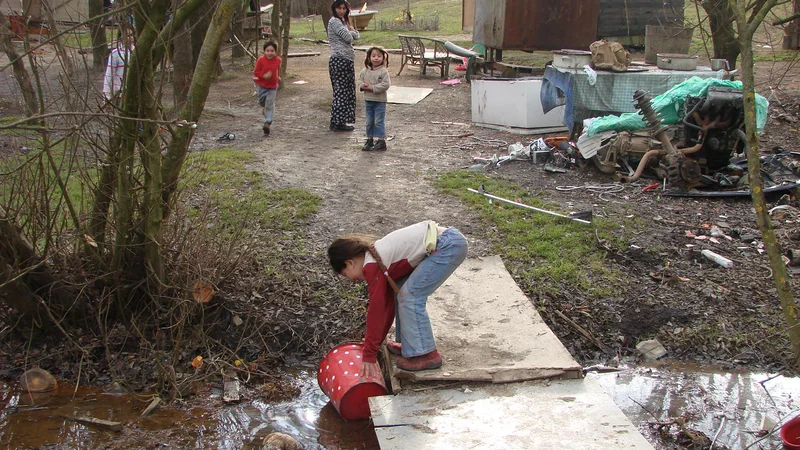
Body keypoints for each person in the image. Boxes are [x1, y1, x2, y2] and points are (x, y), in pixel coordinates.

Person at [327, 221, 468, 379]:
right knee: (400, 291)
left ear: (350, 263)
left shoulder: (372, 265)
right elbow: (387, 306)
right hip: (448, 242)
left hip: (448, 246)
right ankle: (411, 346)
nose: (352, 280)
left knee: (410, 296)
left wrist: (369, 353)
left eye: (346, 275)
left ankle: (428, 355)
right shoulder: (375, 259)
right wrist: (375, 342)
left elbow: (377, 311)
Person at [327, 0, 359, 132]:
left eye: (344, 8)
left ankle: (340, 121)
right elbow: (349, 37)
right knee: (340, 92)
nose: (341, 11)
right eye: (339, 8)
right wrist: (351, 32)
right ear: (334, 9)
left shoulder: (343, 22)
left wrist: (351, 31)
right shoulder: (334, 21)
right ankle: (337, 122)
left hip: (347, 60)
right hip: (339, 60)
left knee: (347, 91)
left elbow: (356, 34)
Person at [357, 47, 391, 151]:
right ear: (369, 57)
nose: (376, 58)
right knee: (369, 121)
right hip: (368, 100)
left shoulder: (383, 72)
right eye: (374, 56)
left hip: (380, 101)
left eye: (379, 56)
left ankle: (381, 141)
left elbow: (386, 84)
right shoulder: (364, 71)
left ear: (383, 58)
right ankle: (369, 140)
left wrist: (373, 88)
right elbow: (359, 81)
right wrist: (362, 85)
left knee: (378, 121)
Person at [253, 41, 282, 136]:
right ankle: (265, 111)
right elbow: (256, 72)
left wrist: (278, 77)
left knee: (269, 103)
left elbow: (276, 69)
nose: (270, 53)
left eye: (272, 51)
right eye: (267, 51)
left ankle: (268, 122)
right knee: (262, 102)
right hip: (262, 86)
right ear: (264, 51)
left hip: (273, 87)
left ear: (276, 52)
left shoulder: (278, 60)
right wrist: (263, 76)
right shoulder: (261, 60)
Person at [103, 30, 134, 101]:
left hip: (134, 94)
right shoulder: (115, 54)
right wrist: (106, 97)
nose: (130, 38)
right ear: (121, 37)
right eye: (127, 35)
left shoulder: (137, 52)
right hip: (119, 95)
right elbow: (109, 75)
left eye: (132, 35)